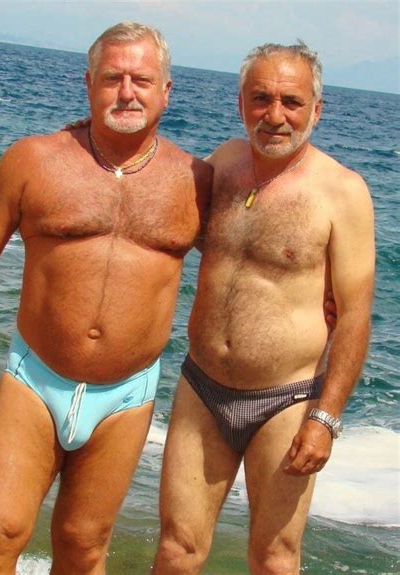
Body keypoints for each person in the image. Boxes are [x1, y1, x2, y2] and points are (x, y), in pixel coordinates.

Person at [0, 22, 213, 574]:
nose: (126, 92)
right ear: (88, 83)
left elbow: (248, 261)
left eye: (141, 79)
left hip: (127, 396)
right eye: (112, 78)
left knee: (83, 548)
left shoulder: (197, 180)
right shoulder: (34, 160)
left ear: (166, 91)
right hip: (34, 379)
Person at [154, 42, 375, 574]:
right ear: (241, 103)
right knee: (177, 551)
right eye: (261, 98)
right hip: (201, 388)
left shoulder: (343, 192)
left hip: (287, 399)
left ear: (316, 111)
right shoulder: (223, 163)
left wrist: (326, 417)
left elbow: (355, 315)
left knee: (275, 558)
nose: (275, 116)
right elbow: (165, 228)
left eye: (292, 102)